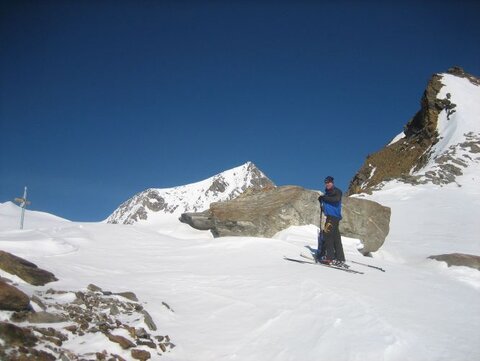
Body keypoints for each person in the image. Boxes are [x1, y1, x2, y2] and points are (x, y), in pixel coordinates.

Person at [316, 176, 345, 266]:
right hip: (331, 217)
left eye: (329, 182)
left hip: (333, 217)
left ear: (332, 182)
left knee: (327, 235)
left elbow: (335, 199)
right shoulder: (327, 193)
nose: (327, 184)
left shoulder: (337, 191)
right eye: (326, 183)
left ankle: (330, 258)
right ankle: (340, 258)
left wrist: (324, 198)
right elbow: (327, 202)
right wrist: (322, 201)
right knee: (336, 238)